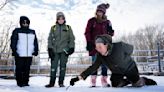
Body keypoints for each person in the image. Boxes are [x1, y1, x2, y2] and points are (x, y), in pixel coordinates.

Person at [70, 34, 157, 87]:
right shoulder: (100, 56)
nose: (98, 49)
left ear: (106, 45)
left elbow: (131, 49)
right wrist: (78, 78)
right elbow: (93, 68)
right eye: (96, 47)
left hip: (129, 68)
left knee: (137, 84)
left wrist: (125, 60)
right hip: (117, 72)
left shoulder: (119, 46)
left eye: (100, 47)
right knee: (115, 85)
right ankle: (127, 81)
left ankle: (143, 80)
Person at [84, 3, 114, 87]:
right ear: (96, 12)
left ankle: (104, 81)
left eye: (101, 11)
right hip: (94, 45)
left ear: (104, 13)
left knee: (105, 63)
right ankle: (93, 81)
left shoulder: (107, 22)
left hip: (104, 45)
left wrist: (111, 31)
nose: (99, 13)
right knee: (95, 64)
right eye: (98, 11)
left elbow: (110, 34)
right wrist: (89, 42)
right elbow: (87, 32)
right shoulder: (92, 21)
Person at [45, 12, 75, 88]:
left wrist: (72, 47)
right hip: (55, 51)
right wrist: (50, 48)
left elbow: (71, 38)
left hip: (64, 51)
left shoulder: (68, 27)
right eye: (59, 19)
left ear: (64, 19)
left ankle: (61, 82)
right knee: (53, 67)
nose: (61, 20)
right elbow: (50, 39)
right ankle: (51, 83)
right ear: (57, 19)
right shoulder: (53, 28)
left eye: (62, 18)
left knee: (62, 67)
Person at [10, 16, 39, 87]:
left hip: (29, 54)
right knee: (19, 69)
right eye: (23, 22)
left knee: (27, 69)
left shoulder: (32, 31)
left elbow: (35, 42)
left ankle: (26, 82)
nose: (25, 24)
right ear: (21, 23)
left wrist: (36, 50)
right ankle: (19, 82)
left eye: (27, 22)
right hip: (19, 53)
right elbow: (13, 41)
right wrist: (14, 50)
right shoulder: (17, 31)